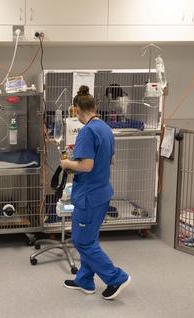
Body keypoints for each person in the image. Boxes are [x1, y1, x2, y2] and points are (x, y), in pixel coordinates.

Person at [60, 85, 131, 300]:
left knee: (82, 241)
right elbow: (111, 160)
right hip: (102, 192)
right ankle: (85, 279)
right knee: (89, 239)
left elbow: (87, 166)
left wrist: (67, 163)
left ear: (76, 110)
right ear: (95, 107)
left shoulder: (87, 131)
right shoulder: (105, 128)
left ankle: (115, 277)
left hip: (89, 196)